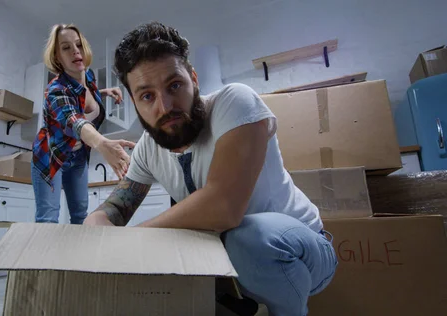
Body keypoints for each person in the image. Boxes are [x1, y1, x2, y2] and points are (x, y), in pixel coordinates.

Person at [83, 22, 338, 316]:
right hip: (227, 267)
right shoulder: (147, 148)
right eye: (147, 96)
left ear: (193, 79)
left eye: (174, 85)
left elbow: (223, 208)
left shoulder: (234, 102)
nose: (164, 106)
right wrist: (96, 230)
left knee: (247, 240)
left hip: (301, 252)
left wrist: (132, 242)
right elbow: (116, 207)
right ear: (135, 102)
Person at [32, 24, 135, 224]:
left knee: (80, 215)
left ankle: (77, 256)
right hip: (51, 156)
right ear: (57, 57)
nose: (75, 51)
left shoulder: (88, 76)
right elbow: (74, 120)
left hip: (78, 158)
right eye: (66, 47)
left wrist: (104, 93)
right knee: (48, 219)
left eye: (78, 45)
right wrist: (102, 143)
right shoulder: (55, 90)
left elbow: (82, 97)